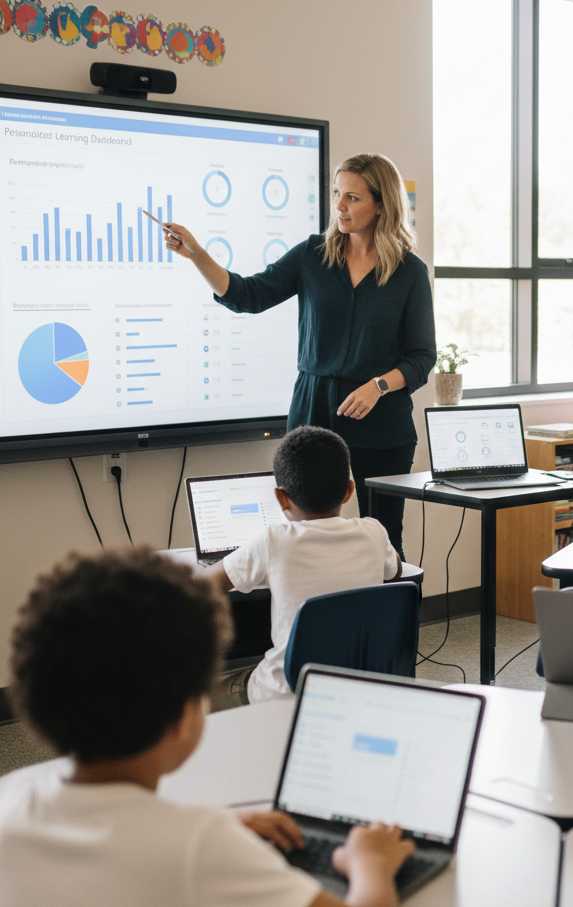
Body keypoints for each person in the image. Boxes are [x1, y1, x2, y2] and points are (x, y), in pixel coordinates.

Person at [0, 547, 414, 907]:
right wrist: (370, 864)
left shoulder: (11, 797)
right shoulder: (203, 847)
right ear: (185, 717)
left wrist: (220, 823)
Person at [165, 153, 436, 559]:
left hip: (381, 422)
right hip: (313, 411)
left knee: (385, 542)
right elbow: (248, 295)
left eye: (353, 198)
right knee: (303, 537)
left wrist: (378, 386)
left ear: (381, 204)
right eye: (336, 194)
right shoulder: (312, 255)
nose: (340, 206)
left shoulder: (410, 272)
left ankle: (390, 622)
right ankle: (313, 620)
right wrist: (198, 254)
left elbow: (421, 357)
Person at [202, 425, 401, 703]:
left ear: (281, 498)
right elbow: (397, 569)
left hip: (285, 693)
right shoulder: (374, 532)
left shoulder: (273, 540)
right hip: (357, 691)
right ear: (348, 491)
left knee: (198, 699)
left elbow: (203, 585)